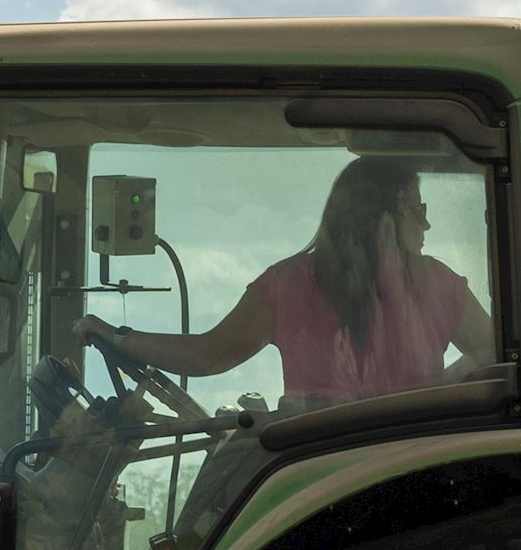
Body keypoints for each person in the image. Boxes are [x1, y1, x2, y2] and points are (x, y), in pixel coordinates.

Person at [78, 157, 491, 404]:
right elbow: (497, 355)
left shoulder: (290, 283)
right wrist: (433, 393)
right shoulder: (439, 285)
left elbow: (206, 355)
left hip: (313, 482)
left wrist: (116, 337)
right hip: (419, 473)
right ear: (384, 220)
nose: (427, 223)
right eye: (417, 211)